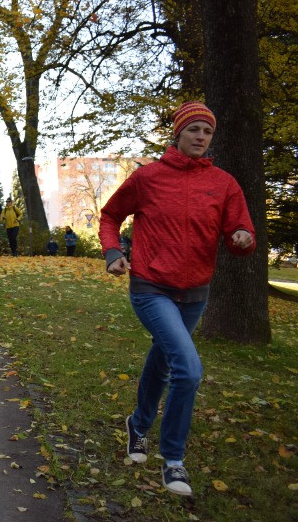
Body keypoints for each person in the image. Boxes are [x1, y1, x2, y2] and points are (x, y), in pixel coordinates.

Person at [98, 101, 255, 498]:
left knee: (164, 360)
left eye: (207, 132)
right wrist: (114, 253)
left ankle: (138, 424)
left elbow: (241, 231)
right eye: (194, 130)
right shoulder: (148, 178)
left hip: (195, 293)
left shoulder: (224, 183)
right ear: (178, 134)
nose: (201, 137)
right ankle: (173, 459)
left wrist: (242, 239)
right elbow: (110, 215)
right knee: (188, 369)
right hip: (151, 287)